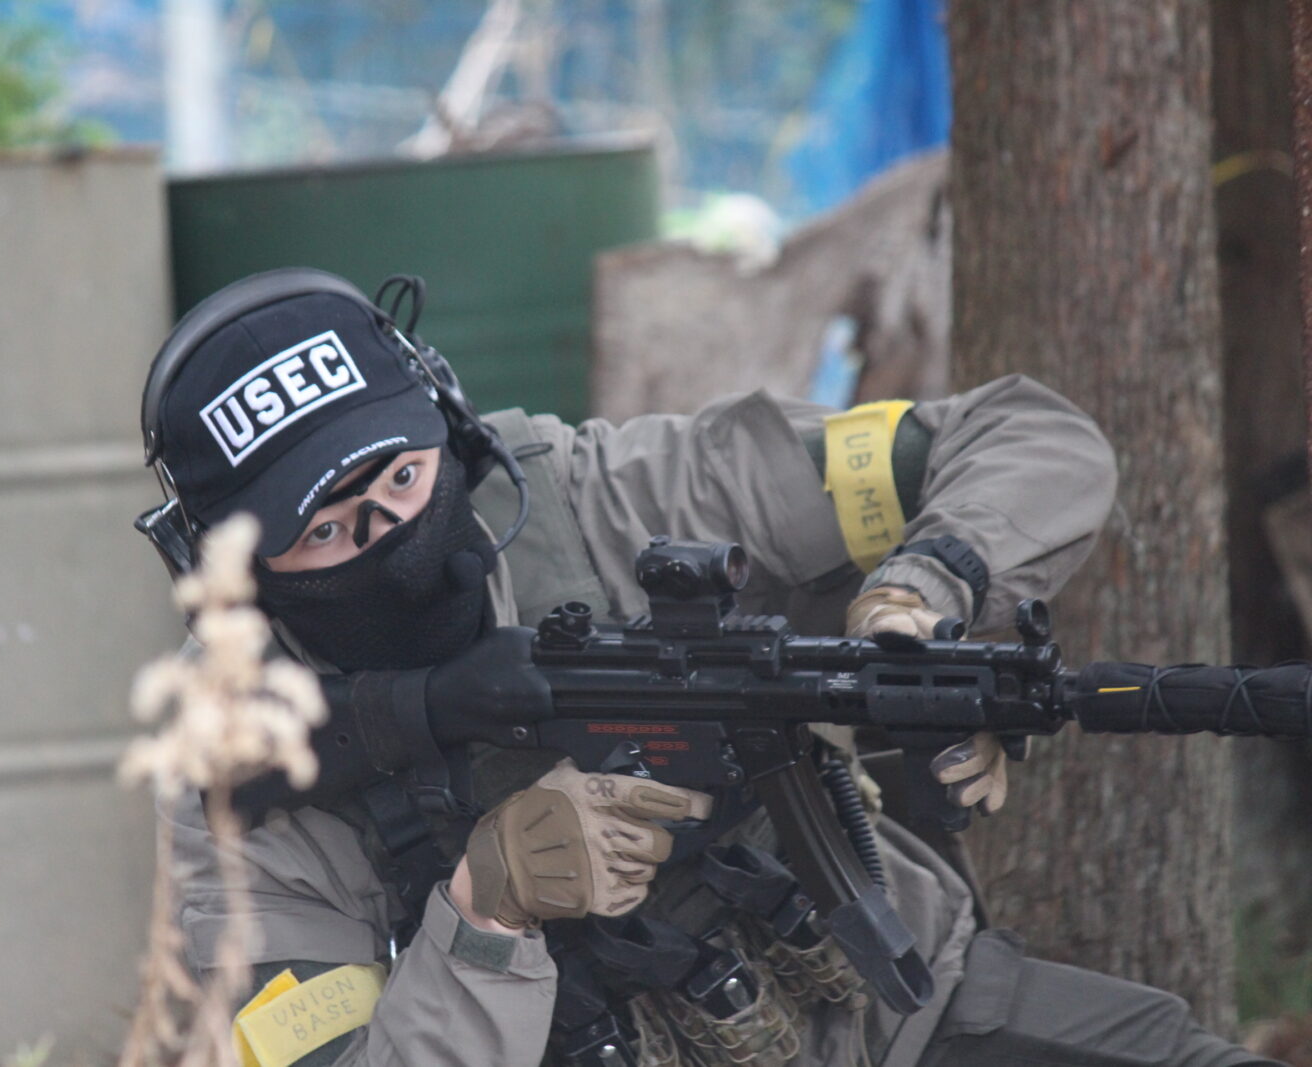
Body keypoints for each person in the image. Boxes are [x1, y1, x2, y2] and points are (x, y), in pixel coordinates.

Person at [138, 267, 1276, 1067]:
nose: (388, 536)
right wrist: (486, 913)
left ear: (446, 416)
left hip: (907, 1019)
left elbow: (1026, 435)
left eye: (399, 476)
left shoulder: (612, 499)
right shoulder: (231, 774)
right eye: (322, 529)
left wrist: (923, 593)